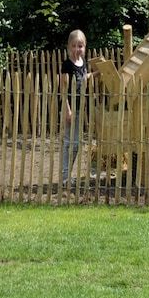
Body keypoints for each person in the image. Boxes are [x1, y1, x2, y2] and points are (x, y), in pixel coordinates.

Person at [59, 30, 88, 184]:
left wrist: (95, 74)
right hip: (71, 109)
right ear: (69, 47)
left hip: (81, 109)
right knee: (71, 143)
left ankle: (67, 176)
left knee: (76, 144)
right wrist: (67, 109)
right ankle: (65, 177)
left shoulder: (84, 63)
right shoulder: (67, 65)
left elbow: (83, 78)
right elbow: (63, 89)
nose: (77, 49)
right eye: (74, 46)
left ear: (84, 47)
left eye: (80, 46)